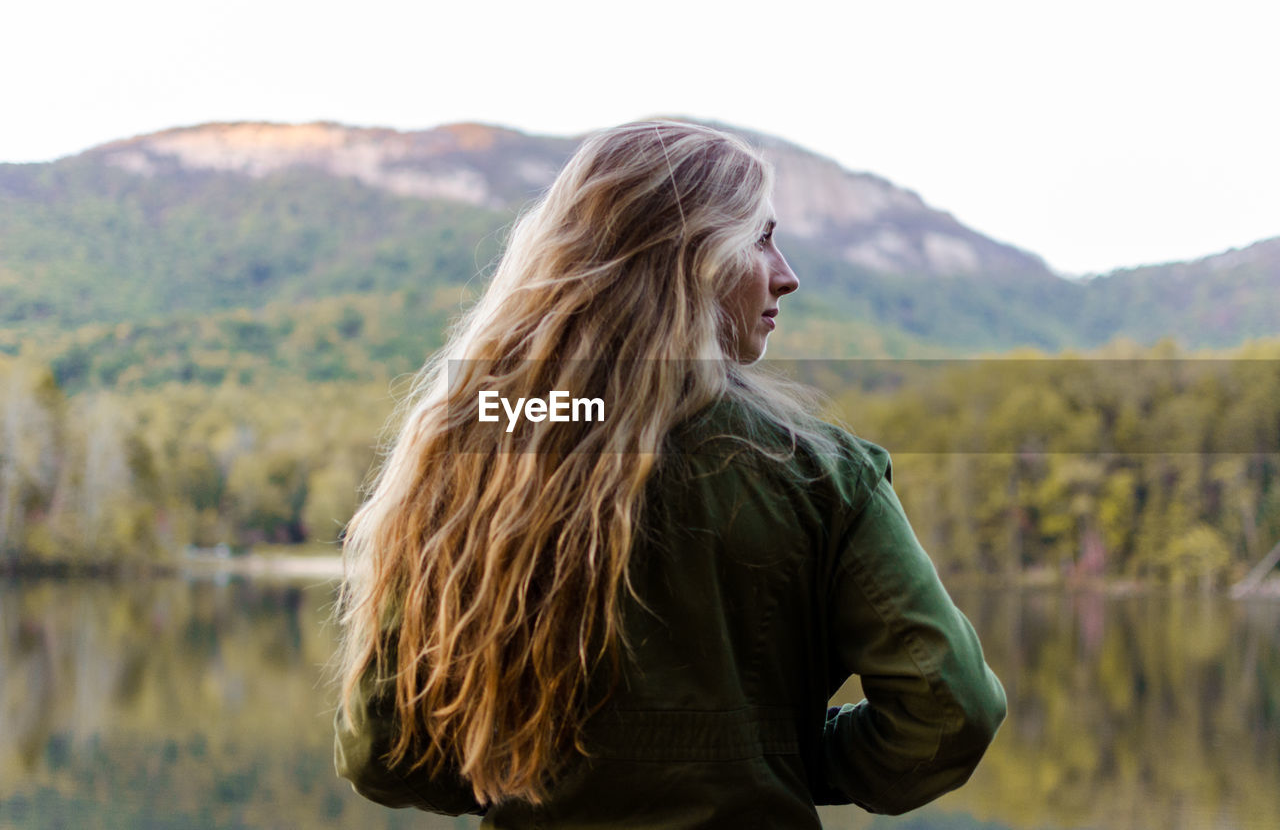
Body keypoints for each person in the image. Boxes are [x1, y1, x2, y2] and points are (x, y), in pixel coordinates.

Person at [332, 120, 1006, 827]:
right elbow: (952, 712)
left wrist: (519, 766)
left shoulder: (476, 449)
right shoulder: (821, 473)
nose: (788, 273)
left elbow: (381, 751)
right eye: (760, 238)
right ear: (688, 260)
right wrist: (784, 755)